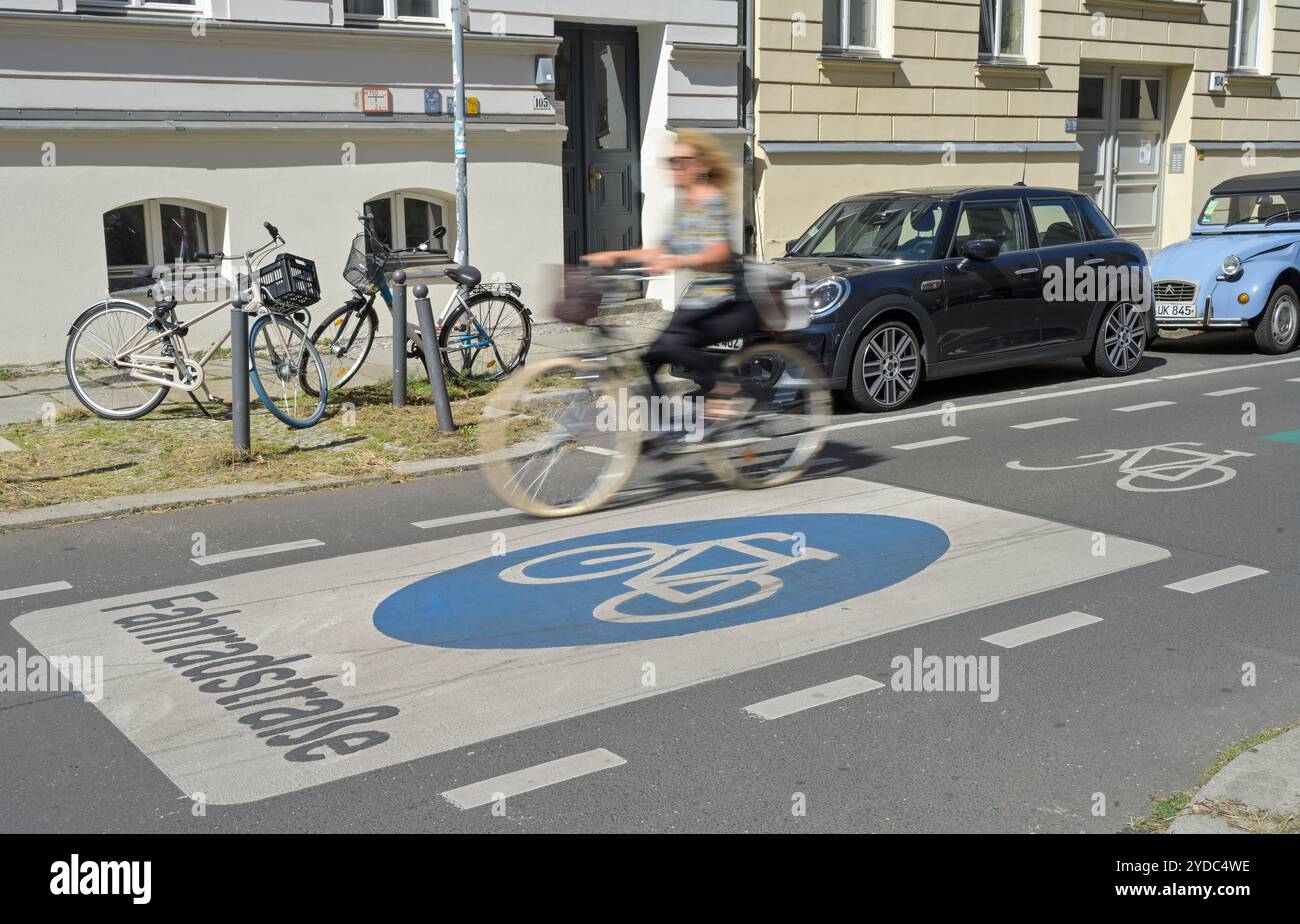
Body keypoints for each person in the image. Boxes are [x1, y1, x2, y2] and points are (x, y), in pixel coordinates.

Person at [582, 130, 755, 422]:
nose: (677, 167)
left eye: (683, 161)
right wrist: (616, 256)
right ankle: (660, 431)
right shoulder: (684, 207)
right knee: (649, 359)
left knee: (671, 346)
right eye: (672, 161)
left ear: (702, 165)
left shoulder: (712, 201)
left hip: (728, 302)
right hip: (700, 301)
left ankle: (721, 385)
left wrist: (677, 260)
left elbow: (720, 254)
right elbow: (659, 251)